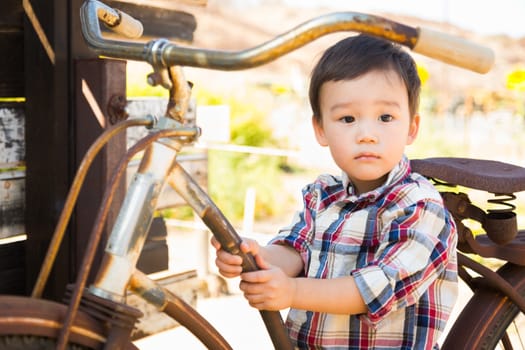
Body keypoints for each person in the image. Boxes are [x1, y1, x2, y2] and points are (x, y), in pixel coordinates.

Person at [211, 34, 458, 349]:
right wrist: (257, 257)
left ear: (411, 127)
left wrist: (292, 292)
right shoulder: (323, 194)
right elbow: (295, 251)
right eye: (347, 118)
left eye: (385, 117)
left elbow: (377, 287)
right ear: (320, 129)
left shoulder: (419, 206)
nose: (366, 134)